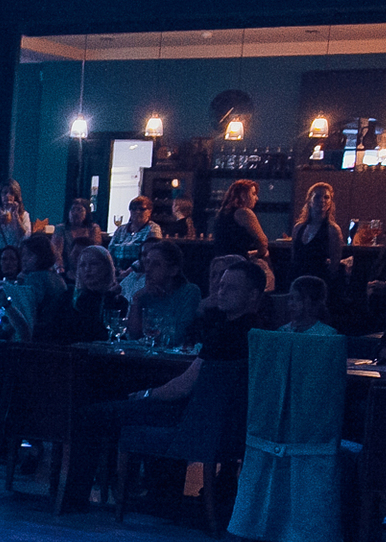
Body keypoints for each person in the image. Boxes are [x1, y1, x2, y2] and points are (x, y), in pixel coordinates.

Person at [62, 257, 266, 512]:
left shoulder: (225, 335)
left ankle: (74, 499)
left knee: (91, 414)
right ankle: (157, 497)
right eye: (220, 284)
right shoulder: (261, 334)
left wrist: (146, 393)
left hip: (191, 421)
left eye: (230, 287)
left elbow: (183, 386)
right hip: (228, 425)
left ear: (253, 295)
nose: (220, 291)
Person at [125, 238, 202, 345]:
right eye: (147, 263)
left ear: (173, 270)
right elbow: (133, 336)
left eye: (156, 264)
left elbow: (180, 336)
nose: (148, 269)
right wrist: (136, 299)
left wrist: (152, 337)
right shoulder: (145, 294)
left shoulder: (189, 292)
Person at [291, 182, 346, 319]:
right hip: (298, 278)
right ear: (309, 200)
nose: (322, 200)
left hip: (318, 281)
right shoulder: (298, 227)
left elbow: (335, 264)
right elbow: (294, 256)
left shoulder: (332, 230)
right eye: (317, 197)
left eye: (326, 197)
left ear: (330, 202)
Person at [211, 178, 269, 266]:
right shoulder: (244, 212)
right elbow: (263, 241)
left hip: (220, 264)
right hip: (238, 265)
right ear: (243, 195)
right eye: (253, 194)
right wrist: (259, 254)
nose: (256, 198)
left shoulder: (222, 213)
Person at [109, 196, 161, 270]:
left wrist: (130, 270)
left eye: (141, 209)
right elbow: (110, 250)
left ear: (149, 211)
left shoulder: (153, 229)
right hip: (117, 269)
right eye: (134, 209)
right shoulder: (121, 229)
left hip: (139, 271)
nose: (137, 212)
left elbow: (151, 254)